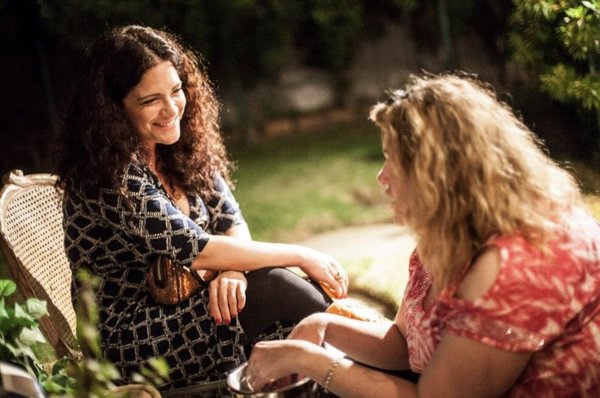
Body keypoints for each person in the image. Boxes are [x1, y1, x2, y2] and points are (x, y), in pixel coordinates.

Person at [244, 73, 600, 397]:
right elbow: (404, 344)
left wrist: (311, 362)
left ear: (438, 172)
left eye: (392, 159)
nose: (381, 177)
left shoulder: (518, 262)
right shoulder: (451, 232)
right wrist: (322, 325)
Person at [54, 25, 349, 390]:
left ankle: (365, 365)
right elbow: (195, 248)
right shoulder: (106, 176)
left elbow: (231, 220)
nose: (171, 108)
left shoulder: (178, 149)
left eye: (176, 91)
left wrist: (233, 273)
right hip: (131, 337)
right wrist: (301, 255)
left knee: (289, 327)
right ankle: (377, 361)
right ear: (113, 109)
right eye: (150, 101)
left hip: (194, 304)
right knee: (273, 290)